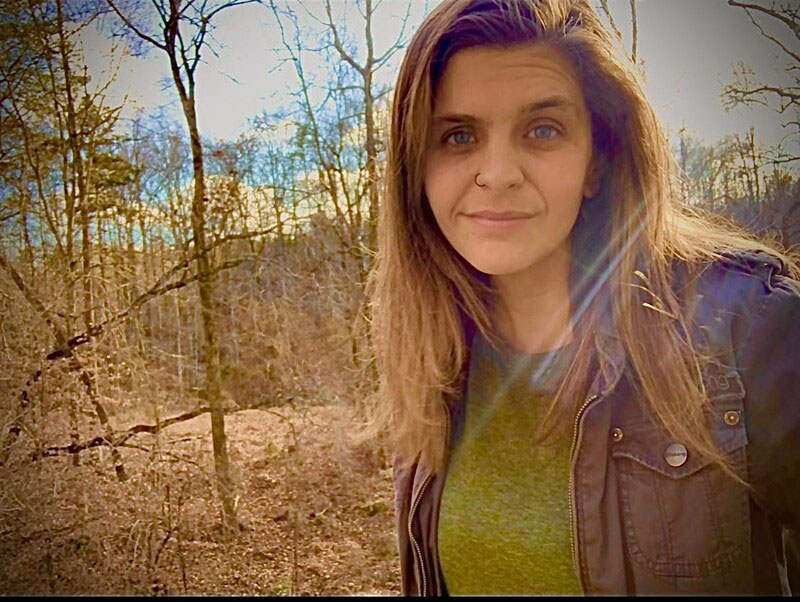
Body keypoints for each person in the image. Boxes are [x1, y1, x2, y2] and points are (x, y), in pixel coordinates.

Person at [365, 0, 800, 596]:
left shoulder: (745, 327)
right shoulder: (432, 353)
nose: (498, 172)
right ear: (418, 169)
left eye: (542, 130)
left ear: (596, 161)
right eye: (458, 136)